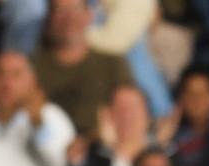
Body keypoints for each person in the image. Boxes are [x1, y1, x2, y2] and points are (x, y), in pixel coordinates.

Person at [32, 0, 134, 139]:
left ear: (89, 15)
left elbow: (129, 110)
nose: (69, 18)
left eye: (75, 9)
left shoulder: (112, 63)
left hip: (97, 148)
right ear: (48, 19)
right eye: (60, 11)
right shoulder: (30, 67)